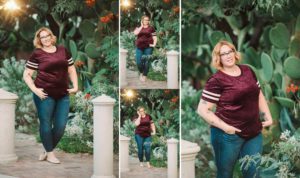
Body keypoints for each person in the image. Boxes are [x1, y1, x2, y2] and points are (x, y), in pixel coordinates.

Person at [197, 40, 273, 178]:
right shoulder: (216, 80)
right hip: (228, 136)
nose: (228, 56)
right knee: (225, 174)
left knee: (253, 173)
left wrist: (268, 115)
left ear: (235, 52)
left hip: (253, 133)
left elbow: (258, 93)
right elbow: (202, 110)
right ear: (218, 58)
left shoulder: (247, 70)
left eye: (230, 51)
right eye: (223, 54)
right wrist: (226, 128)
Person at [23, 27, 78, 164]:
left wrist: (76, 86)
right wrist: (35, 90)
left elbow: (71, 69)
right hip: (44, 95)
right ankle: (50, 154)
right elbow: (27, 75)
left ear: (51, 36)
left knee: (61, 126)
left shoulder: (62, 50)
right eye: (42, 37)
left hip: (62, 94)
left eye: (47, 35)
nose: (46, 38)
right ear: (39, 40)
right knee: (46, 124)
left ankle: (47, 149)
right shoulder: (37, 54)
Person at [133, 15, 157, 82]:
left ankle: (145, 75)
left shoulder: (151, 28)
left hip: (148, 47)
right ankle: (141, 72)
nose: (146, 21)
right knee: (138, 62)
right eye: (145, 20)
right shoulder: (138, 27)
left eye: (147, 20)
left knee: (147, 62)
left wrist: (154, 44)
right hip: (139, 47)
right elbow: (135, 33)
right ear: (142, 20)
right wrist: (141, 26)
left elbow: (155, 37)